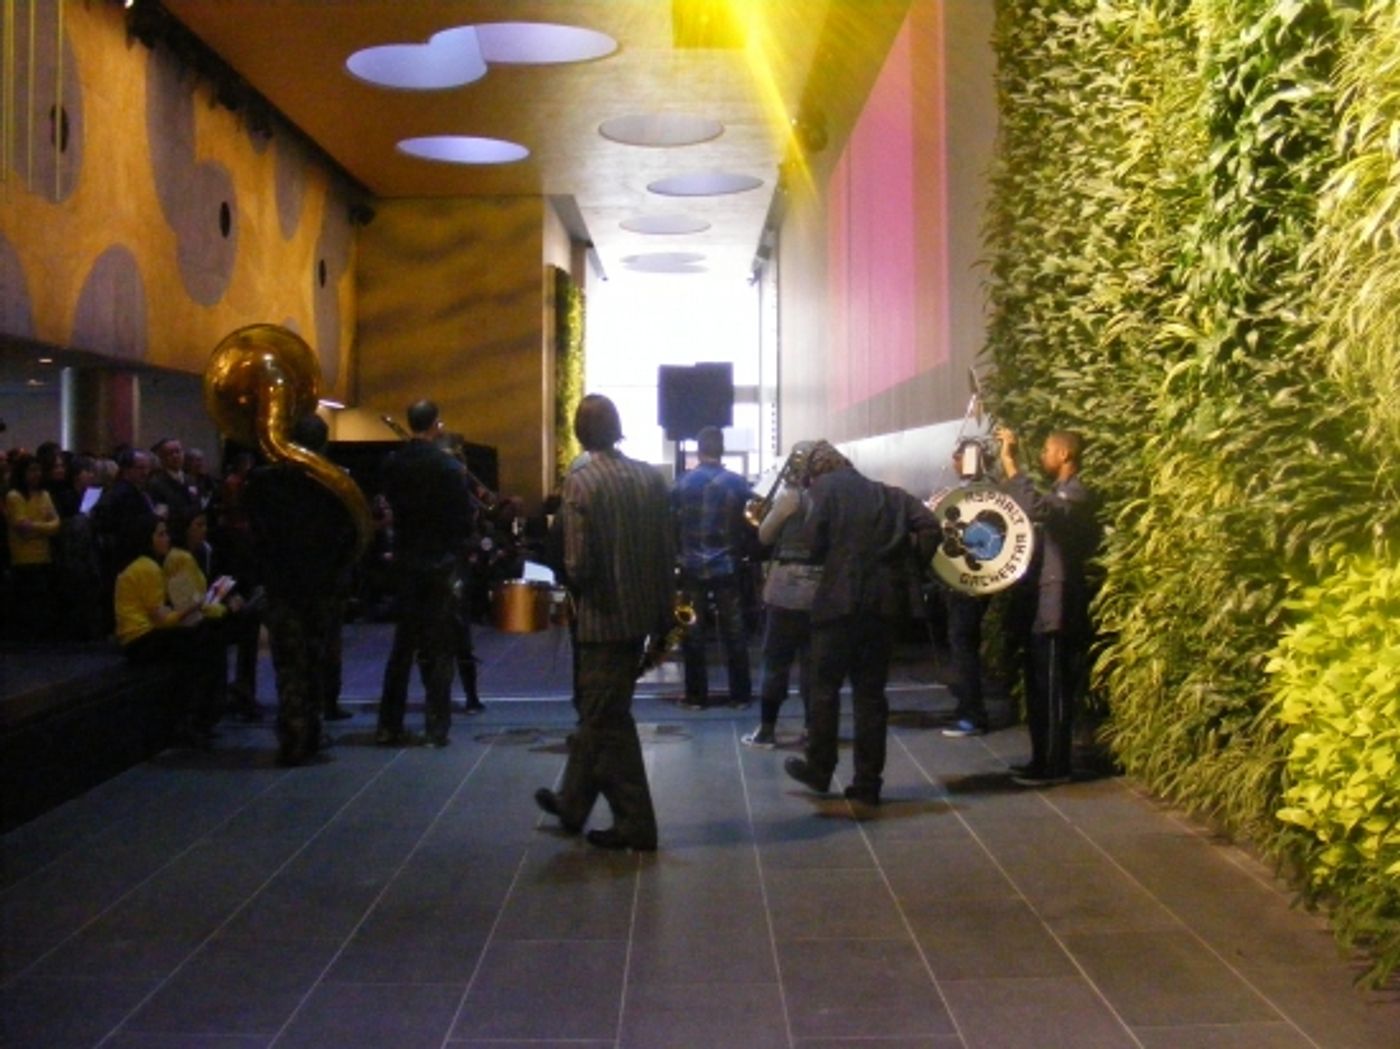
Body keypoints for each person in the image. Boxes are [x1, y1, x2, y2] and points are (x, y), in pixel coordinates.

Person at [534, 394, 673, 851]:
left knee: (605, 716)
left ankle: (637, 823)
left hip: (601, 618)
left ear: (579, 432)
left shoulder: (581, 483)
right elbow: (664, 550)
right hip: (642, 613)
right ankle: (573, 803)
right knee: (601, 711)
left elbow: (578, 565)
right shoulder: (649, 478)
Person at [784, 443, 938, 806]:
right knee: (871, 696)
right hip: (884, 607)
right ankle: (868, 782)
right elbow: (931, 526)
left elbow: (810, 543)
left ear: (816, 471)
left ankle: (820, 769)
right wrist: (908, 565)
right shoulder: (890, 495)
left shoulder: (823, 489)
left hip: (838, 603)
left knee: (824, 688)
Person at [245, 413, 362, 765]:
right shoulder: (336, 483)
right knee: (316, 659)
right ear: (323, 444)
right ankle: (311, 732)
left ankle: (293, 734)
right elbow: (351, 534)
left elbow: (255, 531)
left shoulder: (264, 482)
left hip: (282, 584)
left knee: (288, 664)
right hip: (323, 585)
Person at [996, 426, 1100, 787]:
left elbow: (1036, 507)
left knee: (1054, 688)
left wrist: (1011, 464)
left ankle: (1055, 765)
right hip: (1043, 605)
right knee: (1039, 687)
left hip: (1058, 607)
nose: (1043, 456)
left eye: (1046, 450)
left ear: (1065, 455)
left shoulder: (1077, 495)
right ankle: (1041, 758)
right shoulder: (1062, 493)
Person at [376, 400, 473, 748]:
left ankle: (389, 724)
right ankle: (436, 726)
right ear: (436, 425)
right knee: (438, 647)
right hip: (439, 563)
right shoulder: (448, 467)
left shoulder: (393, 464)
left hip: (404, 560)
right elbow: (463, 520)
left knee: (402, 647)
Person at [114, 513, 226, 749]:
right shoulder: (149, 568)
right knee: (203, 644)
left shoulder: (140, 565)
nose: (167, 539)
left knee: (201, 639)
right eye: (161, 534)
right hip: (141, 639)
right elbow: (161, 620)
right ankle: (193, 719)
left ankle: (195, 718)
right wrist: (190, 610)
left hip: (138, 639)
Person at [671, 425, 755, 710]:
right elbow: (754, 520)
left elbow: (670, 522)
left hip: (691, 567)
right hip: (728, 567)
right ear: (721, 450)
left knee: (692, 631)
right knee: (734, 630)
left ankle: (696, 697)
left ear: (699, 450)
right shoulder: (737, 483)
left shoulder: (682, 484)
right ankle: (740, 695)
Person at [742, 441, 819, 749]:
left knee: (775, 661)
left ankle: (767, 730)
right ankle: (814, 729)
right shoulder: (828, 495)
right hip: (821, 588)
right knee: (813, 664)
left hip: (786, 588)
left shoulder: (789, 497)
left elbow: (764, 534)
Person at [5, 453, 61, 641]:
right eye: (31, 470)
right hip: (23, 557)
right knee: (27, 602)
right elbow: (21, 527)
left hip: (44, 555)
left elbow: (56, 524)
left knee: (42, 601)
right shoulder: (14, 496)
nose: (36, 475)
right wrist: (44, 527)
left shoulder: (44, 494)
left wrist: (36, 526)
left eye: (38, 470)